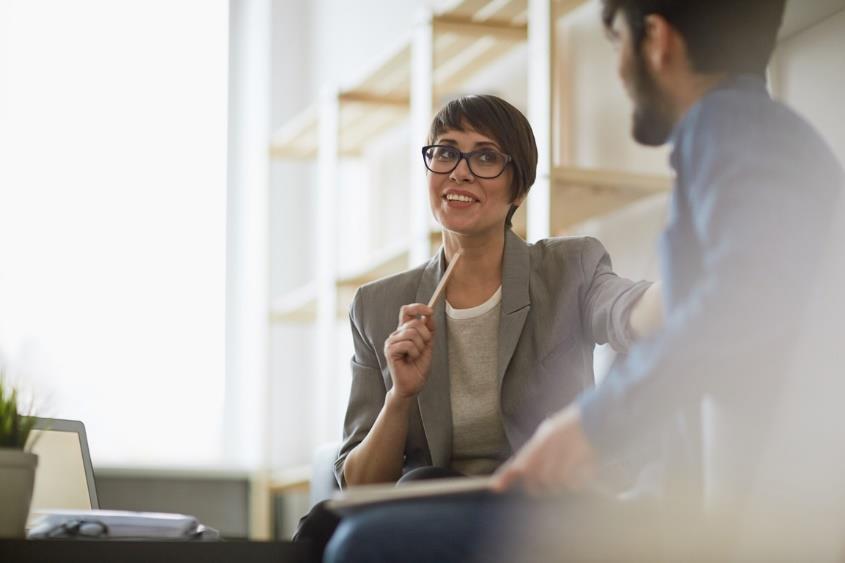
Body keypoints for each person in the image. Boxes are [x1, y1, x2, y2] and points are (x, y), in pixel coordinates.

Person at [324, 0, 845, 561]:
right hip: (705, 494)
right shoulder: (757, 135)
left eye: (616, 40)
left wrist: (592, 427)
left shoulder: (727, 130)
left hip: (698, 507)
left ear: (658, 40)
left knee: (365, 545)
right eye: (445, 154)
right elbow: (727, 304)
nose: (618, 69)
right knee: (386, 515)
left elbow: (724, 307)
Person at [295, 93, 661, 562]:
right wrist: (400, 396)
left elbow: (626, 309)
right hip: (429, 507)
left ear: (518, 189)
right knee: (347, 516)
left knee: (422, 490)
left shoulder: (569, 267)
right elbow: (362, 486)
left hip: (540, 502)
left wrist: (699, 290)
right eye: (445, 152)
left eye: (485, 156)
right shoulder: (377, 305)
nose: (460, 171)